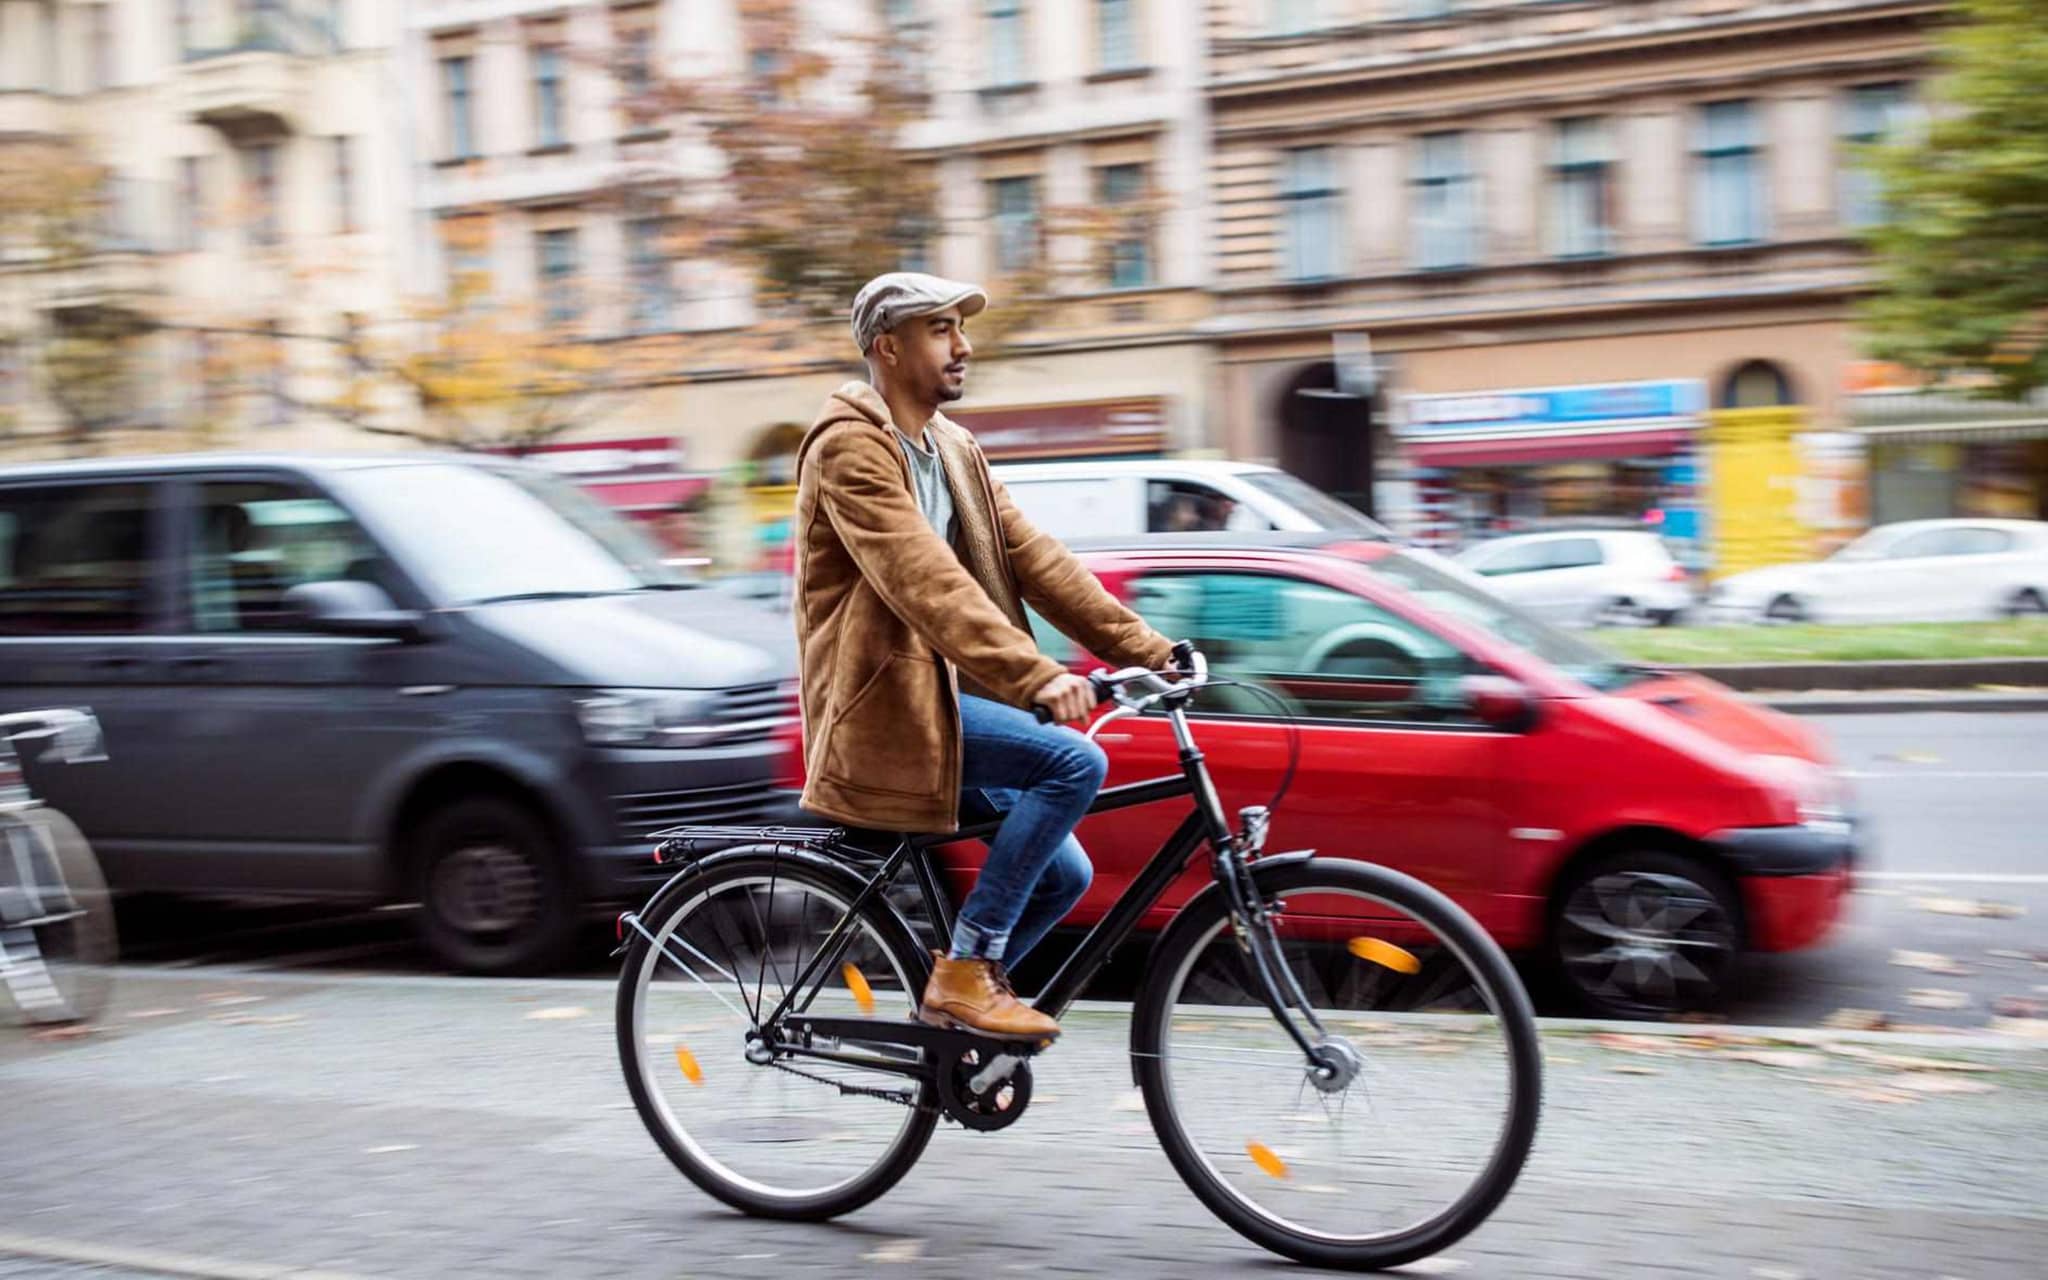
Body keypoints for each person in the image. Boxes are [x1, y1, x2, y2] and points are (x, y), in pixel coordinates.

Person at [792, 272, 1176, 1043]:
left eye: (961, 329)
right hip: (885, 709)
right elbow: (921, 578)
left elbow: (1037, 560)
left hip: (942, 698)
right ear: (887, 347)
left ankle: (952, 1024)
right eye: (941, 330)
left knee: (1064, 874)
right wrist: (1035, 677)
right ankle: (966, 975)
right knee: (1073, 765)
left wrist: (1153, 651)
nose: (963, 346)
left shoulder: (956, 450)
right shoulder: (848, 450)